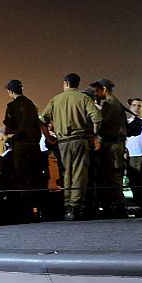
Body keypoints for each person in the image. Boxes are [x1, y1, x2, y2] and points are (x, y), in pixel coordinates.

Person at [41, 73, 102, 221]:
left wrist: (48, 138)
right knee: (79, 173)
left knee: (66, 173)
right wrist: (94, 134)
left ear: (66, 83)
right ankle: (75, 206)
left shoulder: (56, 99)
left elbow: (42, 120)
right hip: (79, 140)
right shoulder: (84, 98)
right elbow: (97, 118)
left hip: (62, 142)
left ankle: (67, 204)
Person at [3, 79, 43, 222]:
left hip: (20, 146)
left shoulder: (12, 106)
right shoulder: (31, 104)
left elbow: (9, 127)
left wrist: (7, 137)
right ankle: (38, 210)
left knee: (22, 178)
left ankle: (26, 212)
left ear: (11, 91)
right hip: (35, 147)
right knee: (35, 177)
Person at [93, 79, 128, 218]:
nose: (97, 94)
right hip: (113, 144)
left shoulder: (111, 104)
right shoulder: (114, 103)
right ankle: (115, 206)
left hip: (113, 146)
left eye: (98, 91)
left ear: (104, 89)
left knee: (114, 176)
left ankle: (119, 207)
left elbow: (102, 123)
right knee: (111, 176)